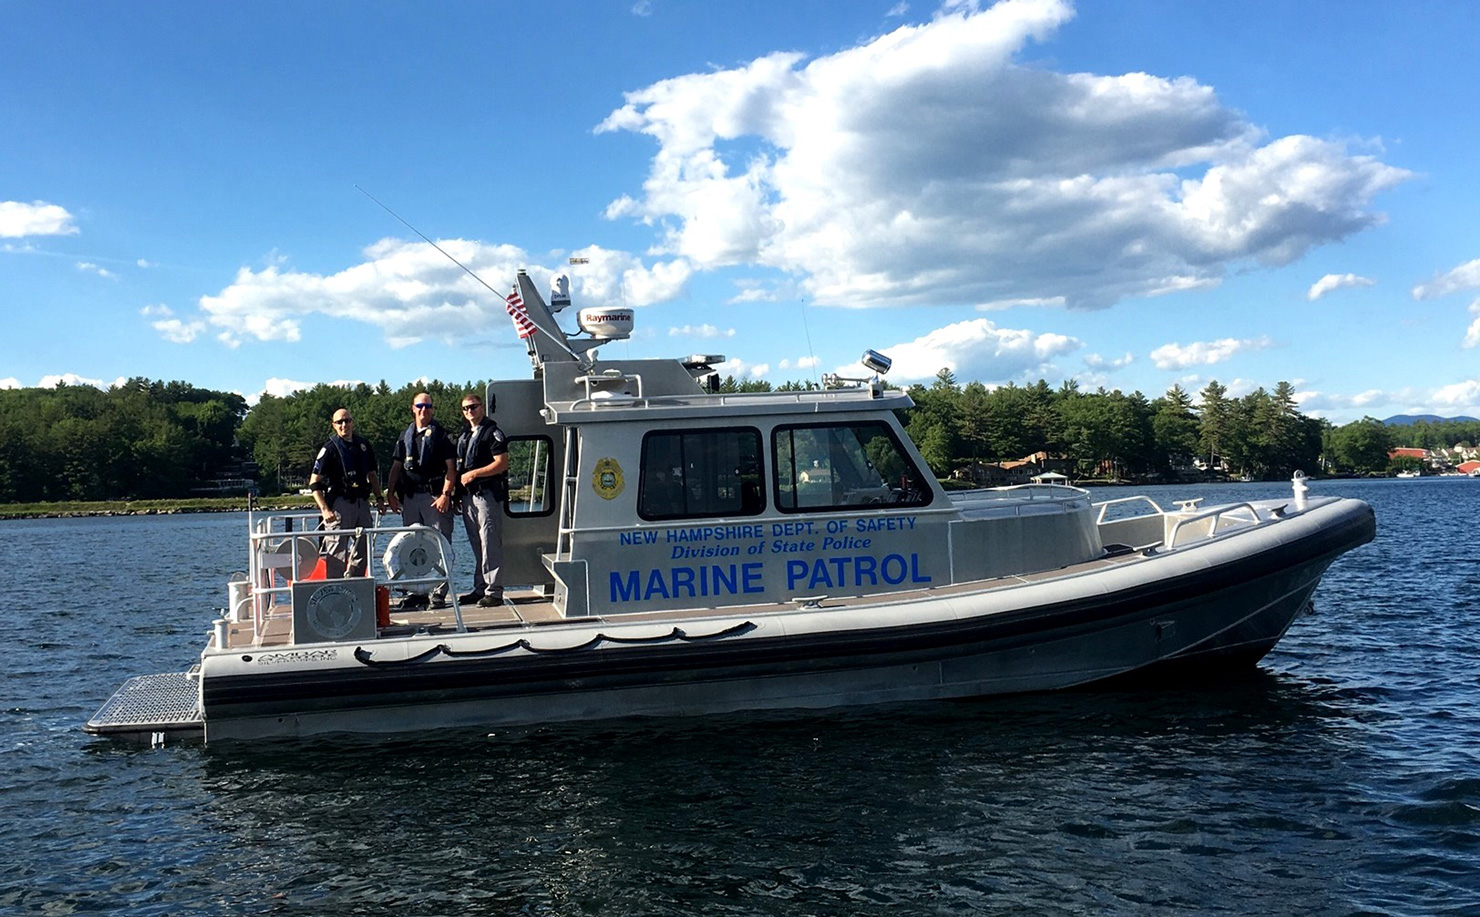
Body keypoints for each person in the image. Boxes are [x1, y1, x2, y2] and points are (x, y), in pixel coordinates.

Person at [385, 392, 458, 609]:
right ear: (413, 408)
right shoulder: (404, 436)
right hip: (410, 498)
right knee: (411, 546)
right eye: (420, 406)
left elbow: (451, 469)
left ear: (432, 409)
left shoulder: (441, 436)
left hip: (435, 497)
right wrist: (390, 493)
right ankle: (414, 592)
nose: (423, 410)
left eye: (428, 406)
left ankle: (438, 592)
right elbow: (396, 467)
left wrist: (446, 494)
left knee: (440, 544)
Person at [308, 408, 386, 578]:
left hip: (362, 503)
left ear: (353, 422)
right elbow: (314, 482)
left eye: (347, 421)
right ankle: (336, 591)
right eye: (340, 422)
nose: (344, 425)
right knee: (337, 551)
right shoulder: (329, 449)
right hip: (339, 505)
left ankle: (356, 584)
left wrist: (379, 498)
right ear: (334, 425)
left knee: (363, 548)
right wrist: (324, 509)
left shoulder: (363, 445)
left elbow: (372, 475)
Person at [456, 393, 509, 607]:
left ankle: (494, 591)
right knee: (476, 544)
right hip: (468, 497)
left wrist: (475, 474)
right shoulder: (465, 435)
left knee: (490, 543)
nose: (470, 411)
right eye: (466, 409)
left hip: (486, 495)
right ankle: (480, 588)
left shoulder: (493, 433)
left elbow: (502, 463)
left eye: (473, 407)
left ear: (482, 408)